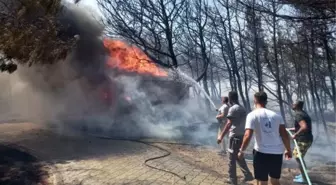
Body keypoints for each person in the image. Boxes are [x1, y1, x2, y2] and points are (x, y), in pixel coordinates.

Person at [238, 91, 292, 185]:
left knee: (262, 181)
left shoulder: (252, 115)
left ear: (255, 100)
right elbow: (284, 135)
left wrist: (242, 151)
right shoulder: (277, 116)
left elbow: (247, 135)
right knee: (275, 180)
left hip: (261, 152)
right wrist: (288, 149)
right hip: (277, 152)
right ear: (266, 101)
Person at [217, 91, 254, 185]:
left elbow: (229, 123)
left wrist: (221, 136)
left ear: (230, 99)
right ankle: (248, 175)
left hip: (234, 137)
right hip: (241, 135)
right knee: (239, 157)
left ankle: (232, 180)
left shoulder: (233, 108)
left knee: (231, 159)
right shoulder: (242, 108)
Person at [288, 101, 313, 184]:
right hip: (307, 138)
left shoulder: (298, 114)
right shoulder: (303, 113)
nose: (292, 105)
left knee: (298, 157)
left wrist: (295, 134)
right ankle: (303, 175)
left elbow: (304, 127)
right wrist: (294, 129)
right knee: (299, 157)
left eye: (293, 104)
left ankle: (304, 178)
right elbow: (302, 126)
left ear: (297, 106)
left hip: (303, 139)